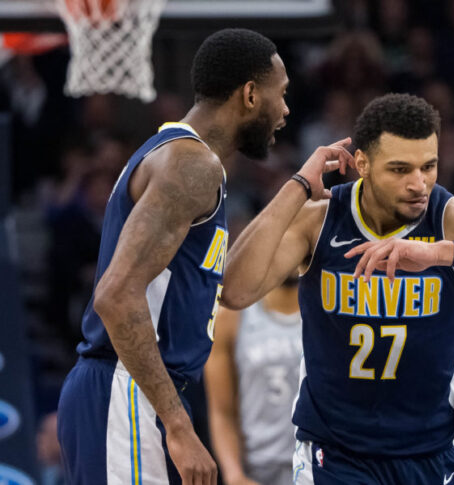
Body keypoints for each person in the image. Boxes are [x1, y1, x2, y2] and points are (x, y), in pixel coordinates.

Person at [221, 93, 454, 484]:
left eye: (429, 166)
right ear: (362, 164)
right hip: (336, 451)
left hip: (428, 450)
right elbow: (235, 291)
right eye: (399, 169)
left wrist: (439, 254)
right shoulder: (318, 221)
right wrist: (298, 187)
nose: (418, 184)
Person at [56, 28, 291, 485]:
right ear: (248, 95)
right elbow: (116, 296)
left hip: (139, 392)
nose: (285, 110)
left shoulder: (184, 158)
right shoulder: (192, 165)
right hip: (126, 389)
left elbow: (234, 289)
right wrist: (179, 427)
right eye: (280, 95)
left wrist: (299, 187)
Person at [205, 275, 302, 485]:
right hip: (258, 469)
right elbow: (222, 411)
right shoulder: (231, 317)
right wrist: (234, 474)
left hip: (314, 465)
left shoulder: (327, 310)